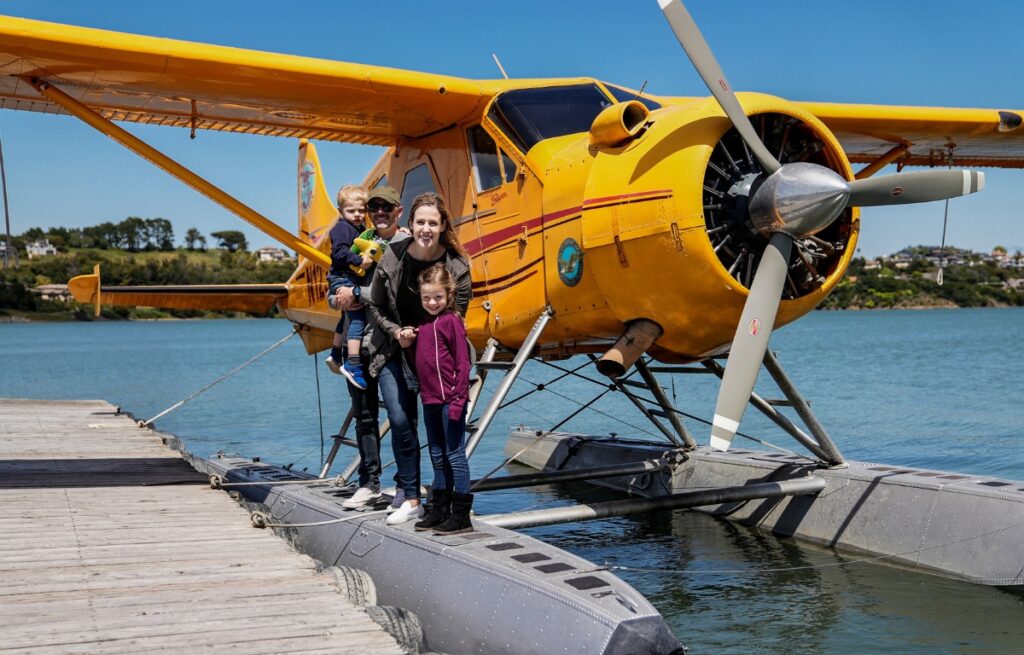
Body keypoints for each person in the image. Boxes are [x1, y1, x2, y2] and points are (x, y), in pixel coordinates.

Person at [367, 191, 472, 525]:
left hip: (436, 362)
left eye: (433, 222)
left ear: (442, 226)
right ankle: (410, 496)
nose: (426, 228)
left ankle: (450, 507)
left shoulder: (457, 266)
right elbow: (375, 304)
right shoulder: (392, 257)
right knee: (400, 419)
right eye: (420, 222)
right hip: (395, 348)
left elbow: (454, 326)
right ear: (409, 224)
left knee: (445, 446)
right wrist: (396, 332)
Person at [335, 185, 408, 509]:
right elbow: (334, 292)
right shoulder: (358, 239)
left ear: (398, 211)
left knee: (401, 416)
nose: (379, 212)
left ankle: (408, 487)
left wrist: (356, 294)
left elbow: (399, 295)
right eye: (373, 207)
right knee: (364, 418)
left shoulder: (406, 243)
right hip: (358, 346)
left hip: (390, 345)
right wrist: (342, 293)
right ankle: (369, 484)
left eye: (385, 207)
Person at [411, 263, 473, 534]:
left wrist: (459, 399)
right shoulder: (423, 324)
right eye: (426, 298)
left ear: (448, 295)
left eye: (437, 297)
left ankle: (461, 516)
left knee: (455, 455)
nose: (432, 302)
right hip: (430, 401)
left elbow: (463, 362)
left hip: (451, 401)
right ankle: (440, 510)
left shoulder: (452, 322)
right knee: (436, 454)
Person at [325, 185, 373, 389]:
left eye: (361, 210)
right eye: (351, 211)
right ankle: (353, 364)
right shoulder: (342, 228)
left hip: (346, 277)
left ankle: (336, 353)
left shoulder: (360, 230)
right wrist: (358, 261)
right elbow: (339, 253)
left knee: (345, 317)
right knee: (357, 317)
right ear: (341, 211)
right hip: (343, 277)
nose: (357, 215)